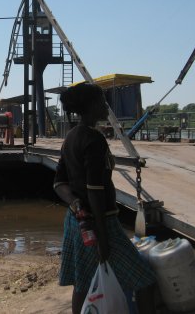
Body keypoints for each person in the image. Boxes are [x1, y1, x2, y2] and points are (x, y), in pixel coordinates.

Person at [53, 82, 156, 314]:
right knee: (144, 280)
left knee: (83, 284)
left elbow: (59, 183)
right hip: (102, 224)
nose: (106, 105)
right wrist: (104, 239)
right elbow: (95, 191)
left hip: (77, 222)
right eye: (101, 100)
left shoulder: (70, 137)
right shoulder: (94, 139)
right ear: (90, 106)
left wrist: (76, 204)